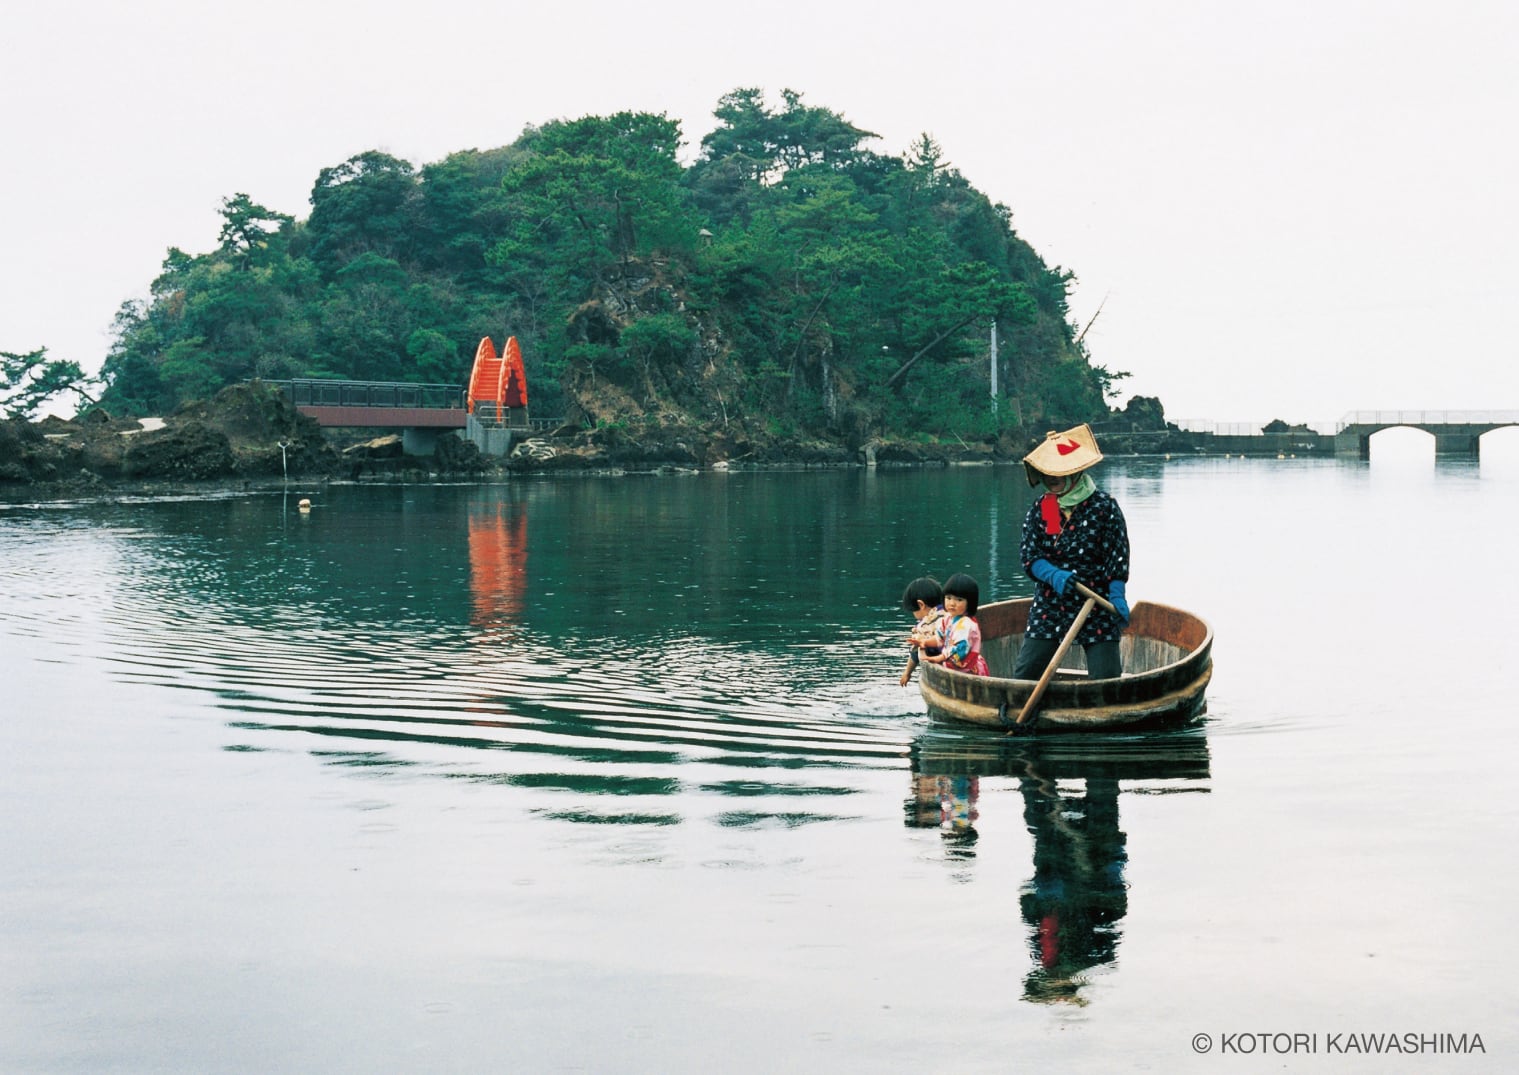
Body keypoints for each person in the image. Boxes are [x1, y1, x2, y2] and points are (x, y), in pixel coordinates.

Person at [1013, 424, 1131, 681]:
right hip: (1052, 600)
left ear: (1075, 472)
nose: (1052, 479)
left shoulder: (1104, 507)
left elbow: (1116, 557)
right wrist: (1053, 575)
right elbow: (1030, 555)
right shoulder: (1044, 507)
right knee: (1025, 676)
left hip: (1095, 601)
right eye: (1048, 473)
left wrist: (1117, 595)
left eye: (1058, 473)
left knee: (1107, 679)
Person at [922, 572, 990, 676]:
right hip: (953, 666)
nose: (952, 603)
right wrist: (924, 642)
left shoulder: (966, 624)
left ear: (970, 602)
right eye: (948, 598)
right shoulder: (948, 618)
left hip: (968, 670)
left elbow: (960, 649)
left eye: (959, 600)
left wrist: (940, 658)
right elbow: (940, 638)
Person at [898, 576, 945, 686]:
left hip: (944, 663)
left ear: (921, 604)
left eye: (913, 611)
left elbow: (915, 652)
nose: (915, 616)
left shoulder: (925, 626)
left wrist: (907, 673)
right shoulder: (951, 613)